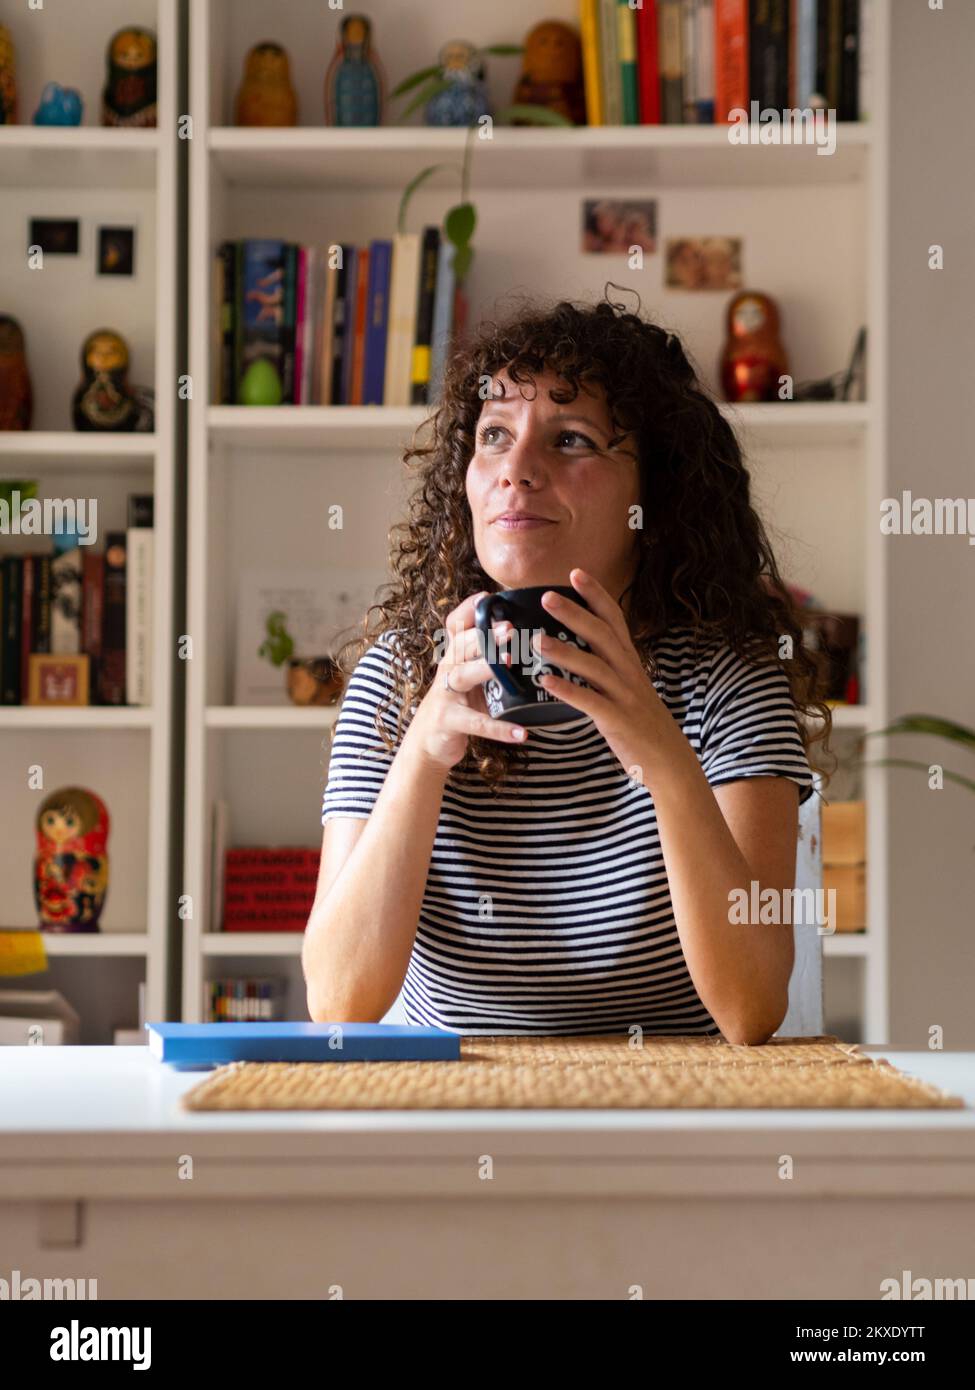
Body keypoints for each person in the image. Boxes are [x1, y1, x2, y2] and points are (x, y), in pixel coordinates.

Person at [302, 291, 831, 1041]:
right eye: (492, 435)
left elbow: (749, 1008)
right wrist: (421, 753)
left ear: (655, 489)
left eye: (572, 439)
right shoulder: (397, 675)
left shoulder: (726, 674)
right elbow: (338, 999)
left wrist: (659, 751)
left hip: (676, 1114)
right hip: (455, 1115)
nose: (515, 470)